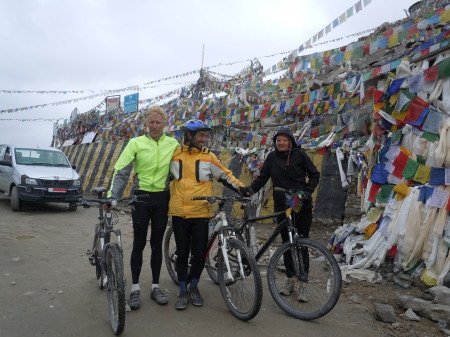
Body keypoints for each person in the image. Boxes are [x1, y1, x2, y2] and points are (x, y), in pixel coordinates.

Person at [168, 119, 246, 310]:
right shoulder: (173, 155)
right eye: (201, 135)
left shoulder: (208, 157)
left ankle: (193, 286)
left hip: (201, 212)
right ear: (189, 135)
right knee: (182, 252)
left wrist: (244, 189)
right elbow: (159, 177)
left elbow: (226, 175)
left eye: (206, 135)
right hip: (179, 212)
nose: (205, 139)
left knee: (198, 255)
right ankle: (182, 289)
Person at [107, 105, 180, 309]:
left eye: (158, 122)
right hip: (140, 198)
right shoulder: (136, 143)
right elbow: (121, 169)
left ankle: (156, 287)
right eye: (151, 122)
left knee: (157, 244)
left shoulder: (173, 144)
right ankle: (135, 289)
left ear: (165, 124)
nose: (155, 126)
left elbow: (182, 168)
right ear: (146, 124)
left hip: (161, 198)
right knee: (139, 242)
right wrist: (113, 196)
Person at [241, 127, 320, 301]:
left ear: (290, 141)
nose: (281, 143)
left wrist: (307, 191)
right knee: (286, 242)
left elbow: (314, 174)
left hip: (300, 203)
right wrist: (251, 190)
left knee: (301, 242)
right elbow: (263, 178)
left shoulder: (300, 155)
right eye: (278, 140)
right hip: (282, 204)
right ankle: (291, 279)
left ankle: (303, 283)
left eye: (284, 140)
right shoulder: (271, 157)